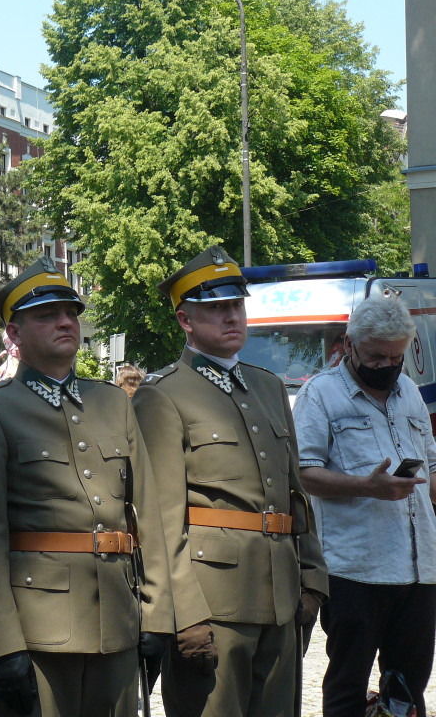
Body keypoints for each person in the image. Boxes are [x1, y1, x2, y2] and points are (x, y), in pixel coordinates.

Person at [0, 255, 174, 717]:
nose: (65, 322)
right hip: (38, 630)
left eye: (71, 312)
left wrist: (157, 613)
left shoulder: (112, 402)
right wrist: (4, 646)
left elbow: (147, 515)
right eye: (46, 315)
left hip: (116, 617)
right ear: (13, 335)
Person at [131, 245, 329, 717]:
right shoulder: (163, 397)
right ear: (185, 321)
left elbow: (294, 494)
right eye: (216, 308)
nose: (231, 317)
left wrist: (312, 577)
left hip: (282, 599)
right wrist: (181, 612)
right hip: (212, 604)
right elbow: (160, 522)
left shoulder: (268, 386)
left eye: (236, 305)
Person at [293, 293, 436, 717]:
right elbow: (301, 473)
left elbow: (430, 461)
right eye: (376, 357)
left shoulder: (409, 390)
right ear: (348, 344)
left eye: (396, 357)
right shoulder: (320, 395)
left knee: (408, 691)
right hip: (354, 571)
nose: (387, 367)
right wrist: (365, 486)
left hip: (418, 568)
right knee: (346, 686)